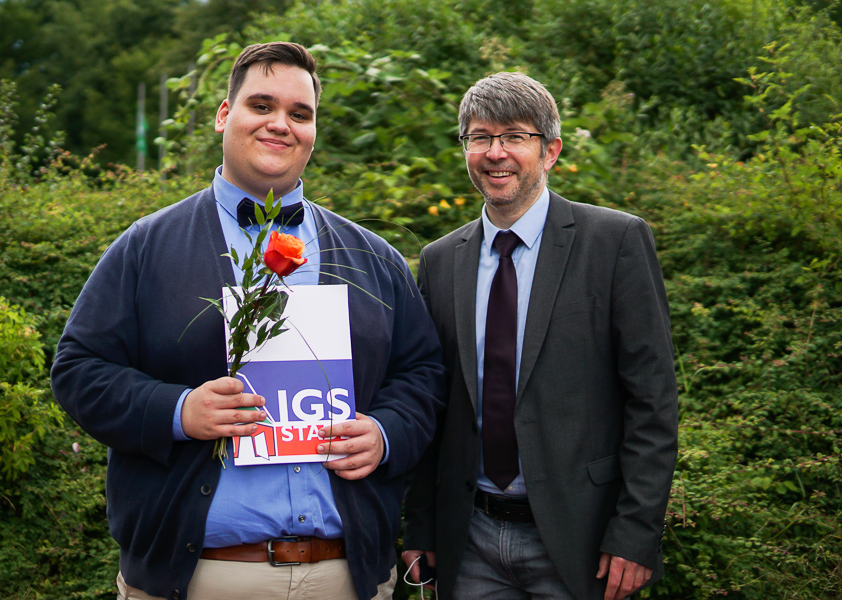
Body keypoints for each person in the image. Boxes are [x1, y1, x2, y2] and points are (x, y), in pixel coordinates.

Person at [51, 42, 446, 600]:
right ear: (223, 115)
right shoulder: (146, 247)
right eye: (261, 105)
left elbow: (423, 373)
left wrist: (386, 434)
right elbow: (78, 370)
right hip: (198, 579)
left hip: (348, 576)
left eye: (300, 113)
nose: (280, 123)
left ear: (313, 131)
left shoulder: (373, 257)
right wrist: (178, 411)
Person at [401, 72, 678, 600]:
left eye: (514, 136)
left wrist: (637, 531)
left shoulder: (615, 242)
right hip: (469, 539)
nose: (495, 153)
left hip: (583, 539)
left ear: (550, 151)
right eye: (480, 137)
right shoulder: (440, 260)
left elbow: (653, 401)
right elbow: (432, 400)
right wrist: (422, 525)